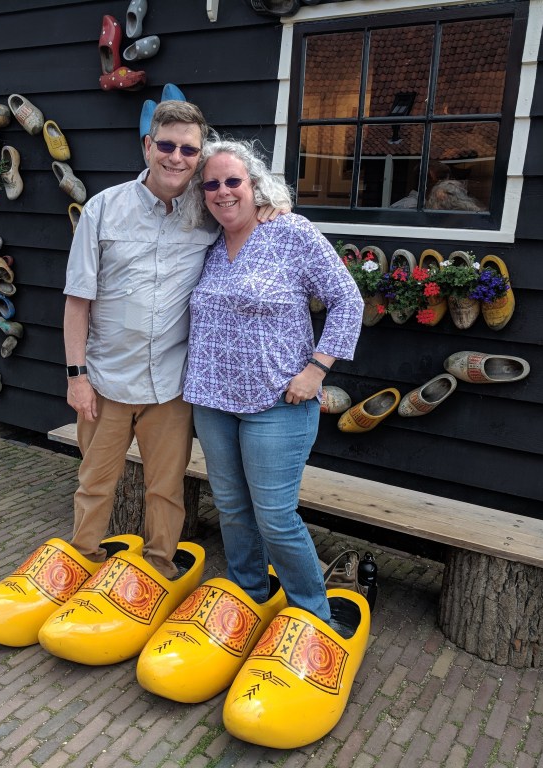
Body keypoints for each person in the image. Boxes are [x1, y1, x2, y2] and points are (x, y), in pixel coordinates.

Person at [62, 102, 283, 578]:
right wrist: (76, 376)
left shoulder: (209, 211)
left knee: (166, 490)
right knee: (94, 484)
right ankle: (80, 567)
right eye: (166, 145)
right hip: (106, 381)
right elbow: (77, 301)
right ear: (148, 146)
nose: (176, 157)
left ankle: (157, 572)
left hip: (171, 385)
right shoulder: (103, 209)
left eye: (188, 149)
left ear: (198, 156)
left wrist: (271, 206)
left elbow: (246, 208)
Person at [179, 138, 364, 623]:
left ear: (254, 184)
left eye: (233, 181)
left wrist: (317, 369)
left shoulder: (290, 232)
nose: (222, 192)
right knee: (231, 509)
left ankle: (313, 615)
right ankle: (251, 596)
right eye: (211, 185)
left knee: (276, 518)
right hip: (213, 401)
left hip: (279, 401)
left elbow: (348, 300)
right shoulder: (207, 242)